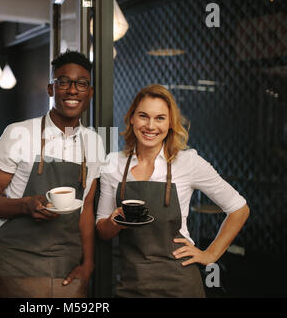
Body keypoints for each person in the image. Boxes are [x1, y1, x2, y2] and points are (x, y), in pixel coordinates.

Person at [96, 84, 250, 297]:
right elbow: (102, 231)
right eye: (143, 116)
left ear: (170, 124)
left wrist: (211, 254)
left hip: (180, 283)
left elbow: (239, 209)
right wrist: (115, 220)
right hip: (133, 283)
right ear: (132, 118)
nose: (150, 125)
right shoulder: (113, 164)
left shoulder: (187, 162)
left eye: (160, 118)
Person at [0, 50, 105, 298]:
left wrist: (88, 264)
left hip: (67, 269)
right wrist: (25, 206)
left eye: (81, 83)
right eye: (63, 82)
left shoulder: (94, 143)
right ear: (51, 89)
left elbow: (87, 209)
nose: (72, 90)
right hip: (16, 267)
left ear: (89, 93)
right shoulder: (18, 133)